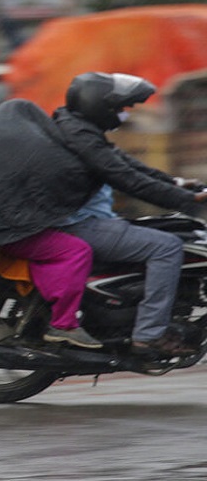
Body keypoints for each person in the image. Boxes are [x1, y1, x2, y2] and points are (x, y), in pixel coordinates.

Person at [52, 72, 207, 358]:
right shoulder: (82, 138)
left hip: (86, 221)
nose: (122, 114)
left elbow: (126, 164)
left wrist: (175, 183)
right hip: (81, 225)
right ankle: (149, 335)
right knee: (167, 248)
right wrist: (187, 199)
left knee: (176, 228)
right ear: (98, 106)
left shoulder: (78, 129)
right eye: (119, 108)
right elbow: (127, 179)